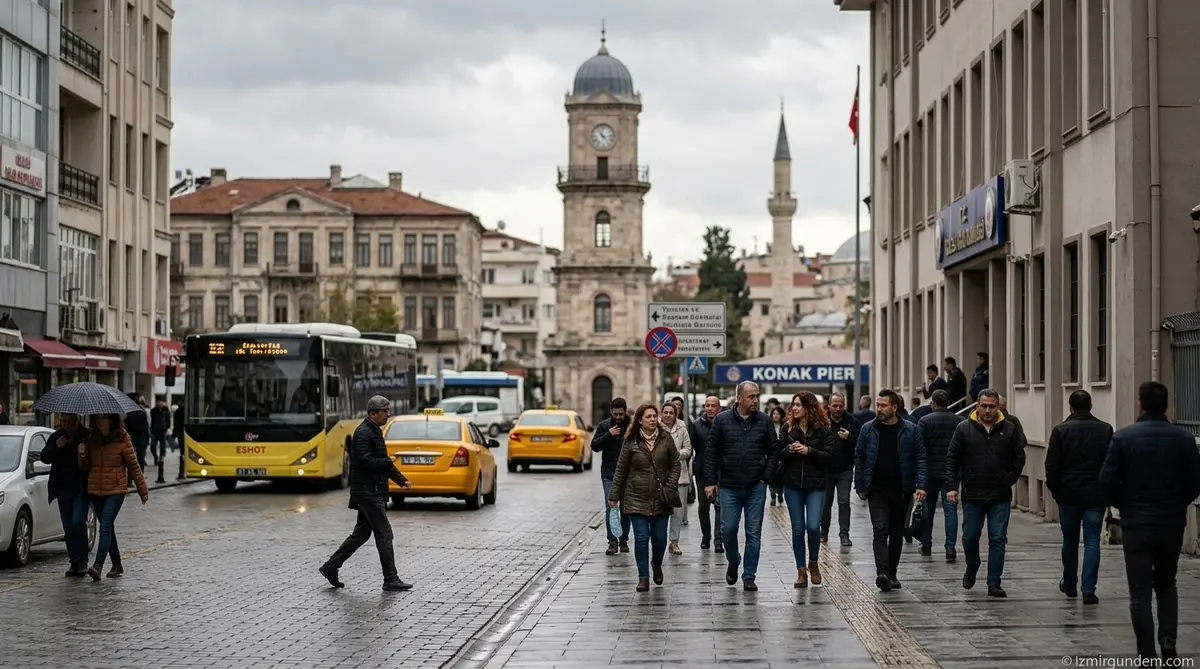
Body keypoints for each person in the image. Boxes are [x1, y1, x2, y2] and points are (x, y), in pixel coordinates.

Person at [1099, 381, 1200, 662]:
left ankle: (1146, 652)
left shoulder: (1123, 438)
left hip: (1136, 524)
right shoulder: (1184, 439)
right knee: (1167, 584)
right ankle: (1168, 642)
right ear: (1167, 405)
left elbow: (1105, 483)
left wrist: (1124, 504)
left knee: (1139, 591)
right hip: (1171, 523)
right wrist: (1178, 502)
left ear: (1140, 404)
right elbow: (1195, 482)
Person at [320, 396, 413, 592]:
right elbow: (365, 461)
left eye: (388, 410)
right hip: (368, 492)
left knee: (360, 535)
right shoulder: (363, 433)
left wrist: (401, 480)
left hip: (373, 490)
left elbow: (382, 461)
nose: (388, 414)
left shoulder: (374, 431)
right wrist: (388, 463)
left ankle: (331, 566)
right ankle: (391, 579)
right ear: (373, 413)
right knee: (384, 534)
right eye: (385, 411)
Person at [946, 388, 1026, 598]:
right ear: (977, 406)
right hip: (973, 494)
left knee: (998, 538)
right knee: (970, 538)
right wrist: (952, 486)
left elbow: (1019, 457)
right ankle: (972, 566)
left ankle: (994, 583)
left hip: (1000, 495)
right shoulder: (964, 429)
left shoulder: (1009, 428)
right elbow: (952, 458)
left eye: (992, 406)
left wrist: (1009, 479)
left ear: (998, 407)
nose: (988, 410)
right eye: (984, 406)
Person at [704, 381, 777, 591]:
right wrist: (710, 482)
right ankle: (734, 560)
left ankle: (749, 575)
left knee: (753, 532)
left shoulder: (764, 421)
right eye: (751, 396)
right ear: (739, 399)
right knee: (728, 529)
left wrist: (766, 477)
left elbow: (774, 451)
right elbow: (711, 453)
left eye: (757, 396)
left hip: (756, 485)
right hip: (729, 485)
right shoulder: (722, 420)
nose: (755, 400)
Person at [854, 389, 927, 592]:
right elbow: (859, 457)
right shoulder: (868, 429)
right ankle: (882, 572)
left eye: (883, 405)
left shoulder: (910, 430)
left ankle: (892, 572)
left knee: (896, 534)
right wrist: (859, 485)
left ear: (894, 408)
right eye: (877, 404)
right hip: (876, 490)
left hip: (901, 490)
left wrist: (920, 485)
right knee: (880, 531)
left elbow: (920, 458)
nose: (879, 409)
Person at [1045, 389, 1113, 605]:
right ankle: (1088, 589)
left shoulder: (1060, 430)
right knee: (1092, 541)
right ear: (1090, 406)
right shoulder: (1105, 429)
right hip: (1096, 494)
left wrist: (1057, 491)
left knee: (1070, 540)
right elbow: (1111, 464)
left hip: (1069, 494)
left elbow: (1052, 465)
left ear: (1070, 407)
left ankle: (1070, 582)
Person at [608, 403, 681, 592]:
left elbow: (675, 464)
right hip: (636, 497)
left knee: (659, 539)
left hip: (661, 497)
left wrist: (671, 484)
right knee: (641, 538)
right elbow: (621, 470)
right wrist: (614, 495)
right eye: (648, 417)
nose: (652, 419)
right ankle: (643, 577)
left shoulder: (666, 439)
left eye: (654, 416)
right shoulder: (630, 441)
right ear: (639, 420)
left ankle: (656, 564)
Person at [77, 413, 149, 581]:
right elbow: (85, 466)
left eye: (104, 418)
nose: (100, 421)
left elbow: (133, 465)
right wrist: (82, 454)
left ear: (111, 419)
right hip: (96, 489)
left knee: (105, 527)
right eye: (98, 418)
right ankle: (117, 564)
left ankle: (98, 566)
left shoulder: (122, 437)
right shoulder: (91, 438)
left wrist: (142, 490)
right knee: (108, 528)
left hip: (116, 490)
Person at [777, 392, 834, 588]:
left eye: (798, 405)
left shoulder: (823, 428)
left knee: (813, 527)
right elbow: (779, 454)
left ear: (809, 407)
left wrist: (809, 451)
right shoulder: (788, 428)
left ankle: (814, 563)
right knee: (798, 529)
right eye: (793, 405)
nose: (794, 408)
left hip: (815, 485)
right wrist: (790, 450)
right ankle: (801, 571)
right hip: (792, 485)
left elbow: (829, 455)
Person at [916, 390, 964, 562]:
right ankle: (950, 548)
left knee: (927, 510)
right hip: (950, 474)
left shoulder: (924, 421)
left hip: (929, 473)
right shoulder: (959, 421)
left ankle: (926, 544)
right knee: (950, 511)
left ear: (933, 403)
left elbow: (919, 449)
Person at [40, 413, 90, 576]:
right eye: (63, 421)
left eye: (68, 422)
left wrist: (83, 453)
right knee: (68, 526)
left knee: (78, 522)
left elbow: (95, 460)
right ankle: (74, 562)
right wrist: (56, 446)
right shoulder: (57, 437)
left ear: (77, 421)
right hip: (62, 488)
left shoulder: (86, 436)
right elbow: (45, 457)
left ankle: (82, 562)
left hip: (81, 489)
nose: (65, 425)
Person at [592, 398, 632, 555]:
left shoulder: (632, 425)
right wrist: (608, 435)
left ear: (625, 411)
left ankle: (623, 541)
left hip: (628, 474)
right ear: (611, 412)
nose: (618, 417)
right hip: (609, 474)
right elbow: (594, 446)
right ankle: (612, 542)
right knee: (611, 506)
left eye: (621, 414)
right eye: (615, 414)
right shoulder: (604, 426)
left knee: (625, 509)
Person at [821, 392, 858, 547]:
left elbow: (860, 443)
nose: (837, 409)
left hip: (845, 469)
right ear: (829, 405)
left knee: (844, 502)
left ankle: (844, 534)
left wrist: (849, 437)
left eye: (840, 406)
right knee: (825, 503)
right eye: (834, 405)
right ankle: (824, 532)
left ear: (845, 406)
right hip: (826, 469)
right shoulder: (822, 421)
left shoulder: (852, 421)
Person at [689, 395, 723, 553]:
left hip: (722, 471)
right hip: (702, 472)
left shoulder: (724, 423)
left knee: (719, 506)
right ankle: (706, 535)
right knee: (703, 507)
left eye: (713, 406)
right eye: (707, 406)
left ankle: (718, 540)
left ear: (719, 408)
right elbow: (690, 449)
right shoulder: (696, 425)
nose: (709, 409)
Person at [658, 402, 692, 555]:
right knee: (661, 510)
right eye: (665, 412)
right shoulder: (656, 428)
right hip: (661, 477)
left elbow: (688, 449)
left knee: (678, 511)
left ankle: (674, 542)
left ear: (675, 414)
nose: (668, 415)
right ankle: (659, 540)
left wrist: (677, 454)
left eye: (671, 413)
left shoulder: (682, 429)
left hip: (681, 476)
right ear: (661, 413)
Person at [123, 393, 151, 472]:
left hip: (131, 437)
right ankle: (140, 474)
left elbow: (126, 425)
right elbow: (146, 427)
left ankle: (130, 480)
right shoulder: (142, 412)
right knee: (140, 459)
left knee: (131, 459)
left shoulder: (128, 413)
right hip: (140, 438)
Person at [767, 405, 786, 506]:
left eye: (778, 414)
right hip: (771, 455)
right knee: (771, 477)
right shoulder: (768, 426)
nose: (776, 416)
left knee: (780, 477)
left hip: (782, 455)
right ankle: (773, 495)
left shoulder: (785, 426)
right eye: (774, 413)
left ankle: (780, 493)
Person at [150, 399, 171, 466]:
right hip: (154, 431)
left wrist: (166, 428)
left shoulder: (166, 410)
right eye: (158, 403)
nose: (160, 404)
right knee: (153, 446)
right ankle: (155, 457)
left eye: (161, 403)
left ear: (163, 403)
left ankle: (161, 458)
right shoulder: (153, 411)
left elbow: (168, 420)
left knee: (163, 446)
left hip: (163, 431)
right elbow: (151, 420)